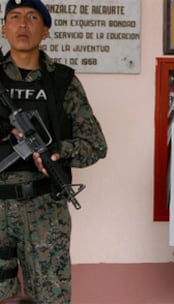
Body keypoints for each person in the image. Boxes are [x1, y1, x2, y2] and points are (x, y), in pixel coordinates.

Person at [0, 0, 107, 303]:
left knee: (50, 298)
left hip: (45, 207)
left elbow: (96, 145)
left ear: (45, 31)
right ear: (4, 28)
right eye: (15, 17)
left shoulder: (63, 81)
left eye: (33, 17)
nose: (23, 24)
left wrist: (59, 152)